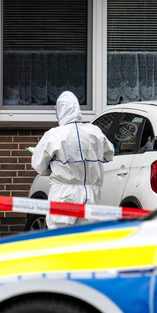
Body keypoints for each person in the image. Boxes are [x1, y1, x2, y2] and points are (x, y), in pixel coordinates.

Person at [31, 91, 115, 230]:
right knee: (86, 240)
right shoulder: (94, 132)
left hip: (63, 195)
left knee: (60, 241)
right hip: (90, 194)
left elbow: (38, 165)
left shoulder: (55, 135)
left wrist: (54, 166)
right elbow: (109, 154)